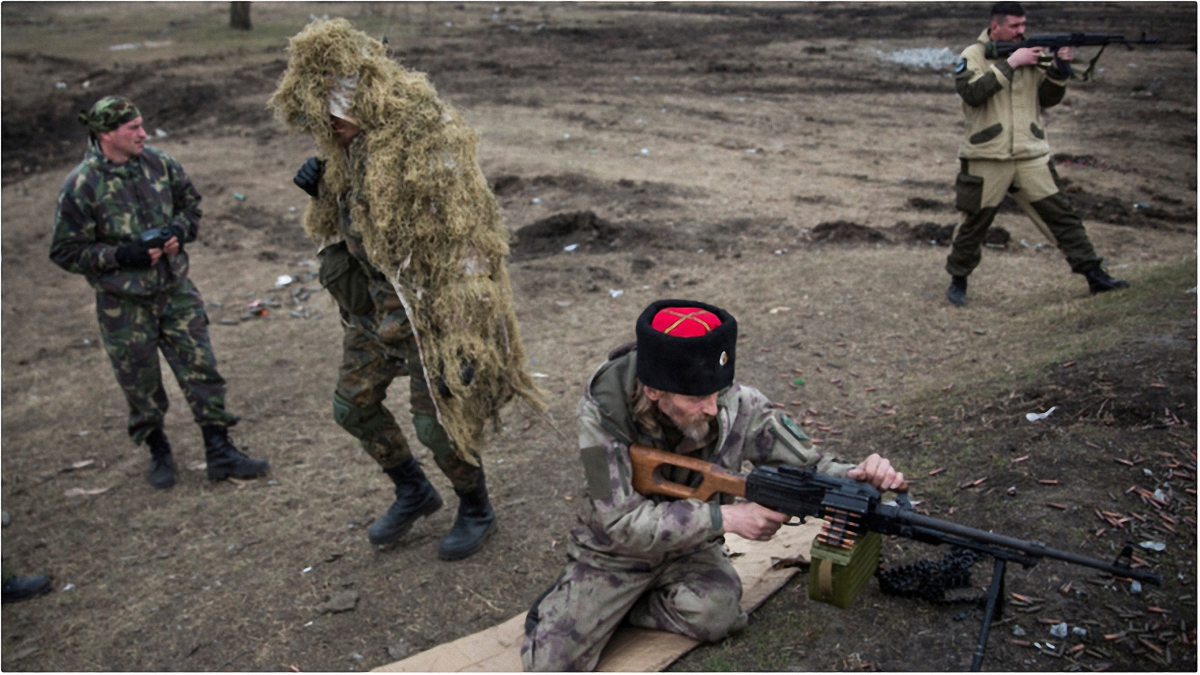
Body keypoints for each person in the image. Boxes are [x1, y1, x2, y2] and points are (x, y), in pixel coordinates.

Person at [269, 20, 543, 560]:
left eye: (332, 118)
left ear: (356, 101)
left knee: (437, 425)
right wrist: (323, 187)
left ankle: (476, 507)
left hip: (430, 314)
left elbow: (467, 237)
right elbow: (344, 223)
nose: (326, 130)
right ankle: (413, 490)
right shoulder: (347, 144)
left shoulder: (423, 136)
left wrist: (465, 335)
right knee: (352, 407)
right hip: (375, 309)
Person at [521, 300, 905, 671]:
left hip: (690, 549)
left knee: (718, 615)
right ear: (654, 390)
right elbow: (620, 523)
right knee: (550, 664)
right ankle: (596, 600)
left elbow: (810, 463)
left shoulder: (736, 403)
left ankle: (627, 608)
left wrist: (857, 476)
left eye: (717, 392)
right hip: (614, 552)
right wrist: (726, 518)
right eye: (697, 397)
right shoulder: (602, 419)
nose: (712, 407)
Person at [50, 96, 270, 490]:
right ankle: (159, 451)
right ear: (106, 134)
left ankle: (220, 451)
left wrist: (179, 233)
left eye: (142, 125)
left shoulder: (160, 164)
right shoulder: (81, 185)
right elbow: (66, 251)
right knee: (140, 384)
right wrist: (120, 255)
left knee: (203, 371)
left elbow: (192, 206)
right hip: (124, 306)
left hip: (175, 291)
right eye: (133, 128)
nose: (143, 133)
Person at [945, 1, 1129, 306]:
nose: (1021, 31)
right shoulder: (973, 55)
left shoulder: (1031, 53)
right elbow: (972, 94)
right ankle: (958, 281)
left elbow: (1048, 98)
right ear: (996, 27)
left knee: (1062, 216)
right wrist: (1011, 63)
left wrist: (1058, 68)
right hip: (987, 155)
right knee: (973, 223)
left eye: (1023, 25)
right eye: (1015, 26)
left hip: (1031, 155)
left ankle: (1095, 276)